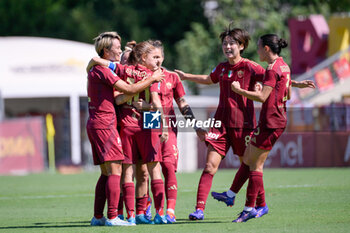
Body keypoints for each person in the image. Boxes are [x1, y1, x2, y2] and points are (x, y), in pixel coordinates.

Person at [175, 26, 315, 221]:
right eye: (224, 44)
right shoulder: (222, 67)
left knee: (250, 166)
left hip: (244, 124)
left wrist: (297, 83)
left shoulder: (251, 67)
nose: (227, 47)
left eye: (232, 43)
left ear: (241, 46)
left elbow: (275, 81)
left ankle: (260, 204)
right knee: (209, 166)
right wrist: (186, 76)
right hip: (220, 124)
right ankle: (199, 209)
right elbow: (208, 79)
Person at [86, 32, 164, 227]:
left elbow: (156, 103)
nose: (121, 52)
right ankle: (116, 216)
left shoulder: (108, 68)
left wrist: (159, 124)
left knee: (134, 171)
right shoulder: (109, 71)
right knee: (119, 170)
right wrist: (152, 79)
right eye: (118, 49)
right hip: (110, 124)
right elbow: (124, 93)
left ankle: (102, 216)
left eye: (159, 57)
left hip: (138, 125)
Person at [132, 40, 207, 224]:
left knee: (169, 167)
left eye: (160, 56)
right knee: (150, 167)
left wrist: (196, 125)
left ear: (164, 57)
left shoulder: (172, 77)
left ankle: (170, 211)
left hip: (170, 123)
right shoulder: (143, 74)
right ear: (146, 58)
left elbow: (182, 103)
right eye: (154, 57)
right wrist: (147, 107)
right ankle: (151, 207)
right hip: (150, 121)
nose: (157, 60)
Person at [229, 33, 292, 222]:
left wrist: (240, 91)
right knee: (249, 159)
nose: (256, 50)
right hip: (275, 119)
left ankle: (251, 207)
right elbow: (287, 93)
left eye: (258, 47)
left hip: (271, 122)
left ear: (266, 49)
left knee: (255, 165)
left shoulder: (272, 69)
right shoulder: (284, 65)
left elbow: (263, 97)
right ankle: (234, 196)